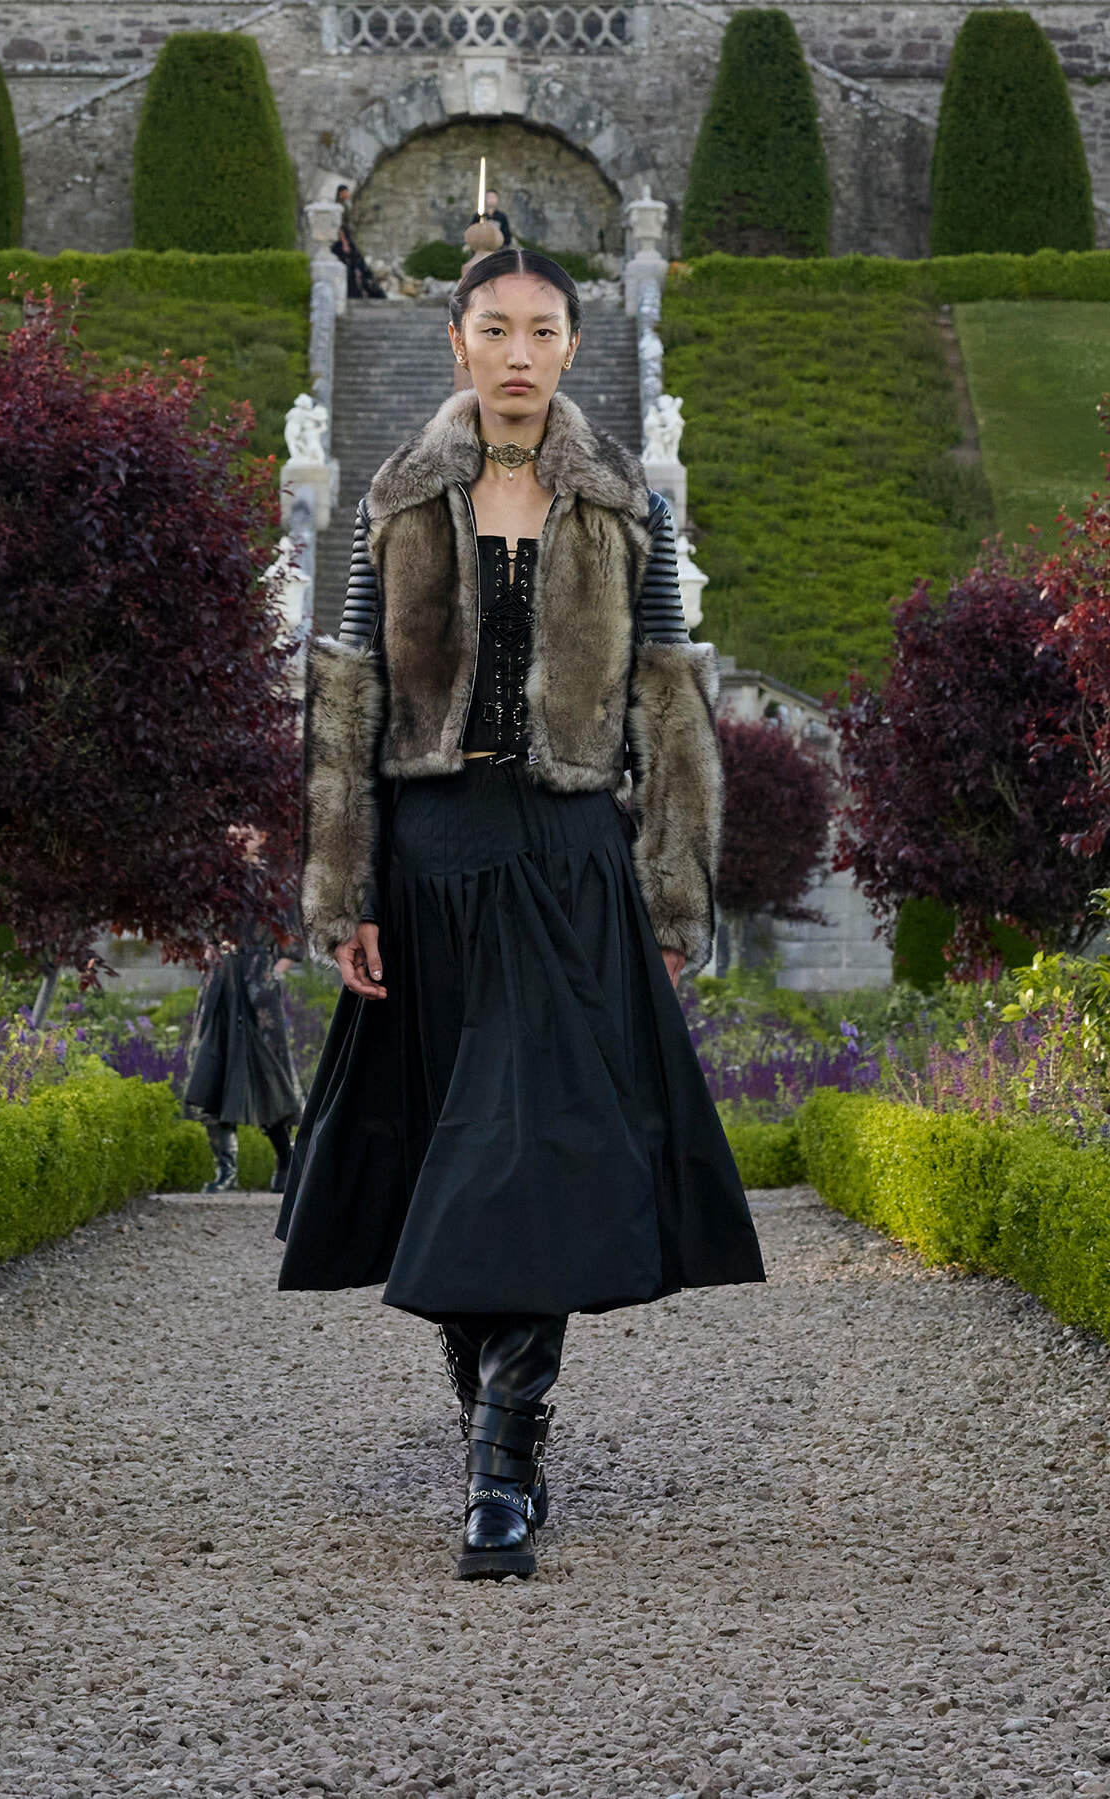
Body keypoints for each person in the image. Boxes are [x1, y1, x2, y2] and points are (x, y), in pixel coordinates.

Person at [277, 247, 764, 1581]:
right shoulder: (393, 501)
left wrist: (673, 882)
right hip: (431, 863)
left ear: (570, 348)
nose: (516, 351)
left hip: (566, 862)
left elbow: (669, 701)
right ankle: (496, 1397)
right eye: (494, 327)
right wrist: (345, 885)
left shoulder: (622, 513)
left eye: (541, 330)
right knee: (451, 1149)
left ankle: (503, 1457)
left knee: (528, 1147)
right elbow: (353, 700)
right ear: (455, 342)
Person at [184, 832, 304, 1195]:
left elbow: (294, 941)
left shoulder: (275, 883)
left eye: (246, 829)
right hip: (221, 984)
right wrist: (208, 952)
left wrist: (271, 975)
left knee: (267, 1074)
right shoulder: (216, 881)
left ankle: (287, 1163)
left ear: (263, 836)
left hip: (258, 989)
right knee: (212, 1068)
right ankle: (225, 1171)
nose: (238, 835)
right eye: (233, 828)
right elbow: (200, 928)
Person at [331, 184, 385, 300]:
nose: (348, 194)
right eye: (346, 192)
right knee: (354, 264)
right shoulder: (339, 206)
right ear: (341, 193)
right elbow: (339, 227)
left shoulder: (345, 205)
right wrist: (345, 243)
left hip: (346, 238)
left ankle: (362, 292)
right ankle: (358, 292)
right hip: (342, 239)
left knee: (355, 264)